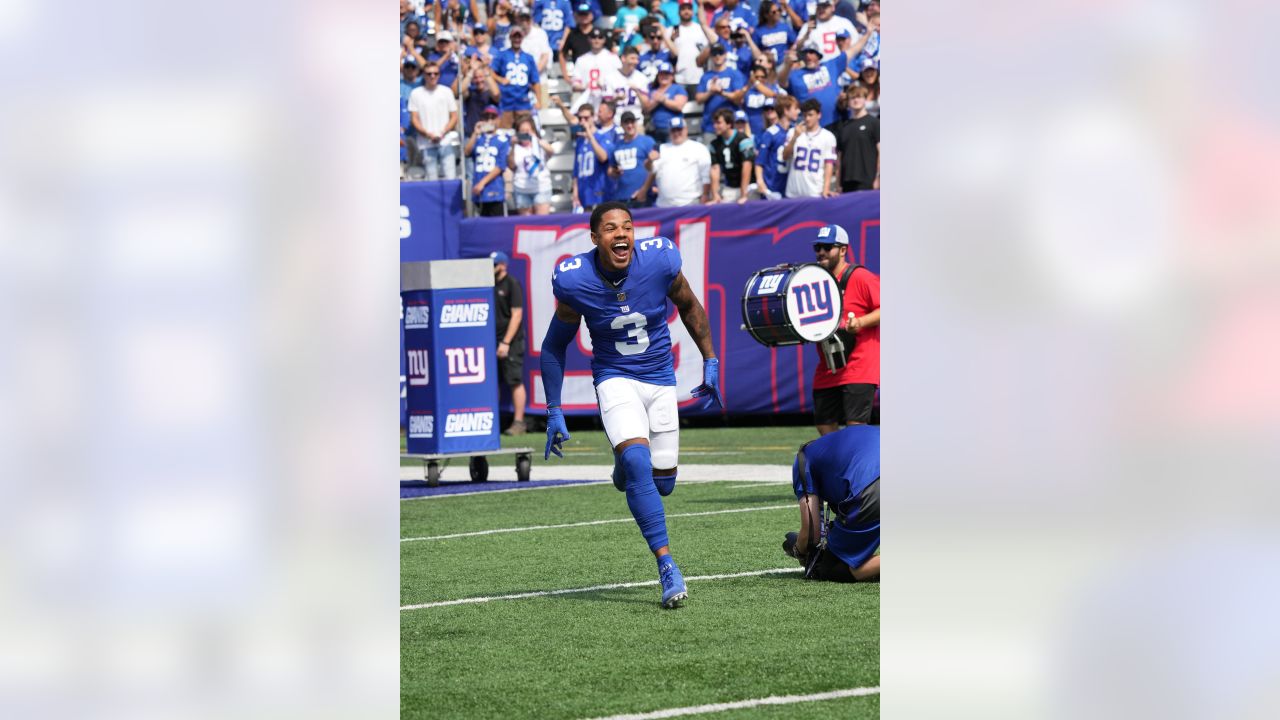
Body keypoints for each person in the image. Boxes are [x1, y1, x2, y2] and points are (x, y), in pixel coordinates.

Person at [540, 201, 723, 608]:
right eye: (609, 228)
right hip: (615, 378)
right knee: (641, 465)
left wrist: (710, 359)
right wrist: (554, 409)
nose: (620, 234)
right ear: (595, 238)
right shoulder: (576, 280)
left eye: (626, 226)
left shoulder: (659, 259)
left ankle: (623, 467)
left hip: (659, 379)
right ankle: (667, 566)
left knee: (663, 483)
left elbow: (690, 305)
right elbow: (554, 344)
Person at [781, 425, 880, 583]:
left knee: (829, 568)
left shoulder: (803, 458)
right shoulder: (847, 442)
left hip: (872, 490)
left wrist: (798, 550)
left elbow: (811, 531)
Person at [808, 223, 879, 432]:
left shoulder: (861, 276)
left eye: (827, 247)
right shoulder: (816, 280)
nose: (821, 252)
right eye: (818, 247)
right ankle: (839, 464)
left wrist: (861, 322)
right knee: (823, 423)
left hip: (860, 364)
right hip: (828, 365)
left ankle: (859, 465)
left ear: (843, 250)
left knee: (855, 428)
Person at [552, 95, 613, 212]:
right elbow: (576, 168)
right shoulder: (580, 140)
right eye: (580, 118)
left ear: (593, 118)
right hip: (583, 191)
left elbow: (603, 158)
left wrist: (590, 137)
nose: (582, 121)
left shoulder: (602, 136)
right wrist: (575, 191)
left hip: (598, 191)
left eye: (586, 118)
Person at [491, 251, 529, 435]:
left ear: (503, 265)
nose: (491, 268)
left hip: (510, 342)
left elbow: (517, 315)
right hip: (492, 339)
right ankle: (492, 420)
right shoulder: (489, 285)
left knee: (514, 380)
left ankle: (519, 422)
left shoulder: (512, 284)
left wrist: (505, 342)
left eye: (494, 264)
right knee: (492, 382)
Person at [407, 60, 461, 180]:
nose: (432, 76)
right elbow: (414, 118)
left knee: (450, 176)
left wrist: (442, 133)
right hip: (426, 142)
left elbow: (454, 116)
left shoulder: (446, 92)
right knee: (431, 178)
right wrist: (427, 134)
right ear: (424, 75)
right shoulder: (416, 93)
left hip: (446, 140)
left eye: (435, 73)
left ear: (439, 75)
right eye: (429, 74)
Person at [643, 116, 710, 207]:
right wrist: (649, 160)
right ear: (669, 132)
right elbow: (651, 169)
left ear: (686, 130)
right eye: (673, 130)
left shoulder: (698, 148)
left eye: (679, 129)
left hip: (690, 203)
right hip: (664, 205)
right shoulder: (661, 148)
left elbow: (706, 175)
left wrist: (705, 194)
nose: (676, 133)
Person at [488, 25, 542, 128]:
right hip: (506, 100)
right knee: (505, 131)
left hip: (523, 101)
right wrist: (500, 79)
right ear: (510, 38)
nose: (517, 40)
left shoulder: (528, 58)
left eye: (519, 37)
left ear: (522, 38)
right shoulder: (502, 55)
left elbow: (535, 81)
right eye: (514, 37)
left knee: (524, 131)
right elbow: (490, 72)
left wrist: (539, 101)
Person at [829, 84, 879, 192]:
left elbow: (881, 152)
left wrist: (878, 178)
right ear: (848, 102)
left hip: (867, 181)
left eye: (859, 97)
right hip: (846, 182)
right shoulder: (844, 127)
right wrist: (838, 183)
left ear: (865, 99)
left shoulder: (874, 123)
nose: (856, 100)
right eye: (852, 98)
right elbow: (840, 158)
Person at [782, 98, 836, 198]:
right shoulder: (793, 132)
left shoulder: (828, 137)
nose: (807, 119)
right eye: (805, 115)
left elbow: (829, 164)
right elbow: (785, 156)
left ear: (819, 115)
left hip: (814, 192)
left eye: (810, 115)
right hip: (794, 192)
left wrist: (826, 189)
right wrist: (795, 137)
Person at [465, 106, 510, 216]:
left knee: (496, 225)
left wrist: (482, 183)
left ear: (498, 119)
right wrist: (475, 133)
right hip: (478, 191)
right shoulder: (478, 139)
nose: (489, 120)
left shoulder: (503, 140)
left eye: (493, 117)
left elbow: (500, 166)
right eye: (486, 117)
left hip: (494, 188)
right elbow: (466, 152)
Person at [694, 45, 747, 140]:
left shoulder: (734, 74)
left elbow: (738, 98)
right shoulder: (705, 76)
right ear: (711, 56)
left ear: (725, 55)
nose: (718, 56)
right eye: (714, 54)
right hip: (710, 126)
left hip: (730, 125)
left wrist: (722, 93)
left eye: (720, 53)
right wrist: (711, 91)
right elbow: (698, 99)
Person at [508, 114, 555, 214]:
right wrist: (512, 146)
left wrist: (535, 138)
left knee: (542, 224)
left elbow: (551, 151)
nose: (526, 133)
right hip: (521, 190)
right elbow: (511, 166)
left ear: (533, 130)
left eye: (528, 130)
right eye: (522, 131)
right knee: (526, 226)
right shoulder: (515, 147)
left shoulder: (540, 144)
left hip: (541, 188)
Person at [607, 111, 657, 206]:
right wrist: (615, 172)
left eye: (632, 122)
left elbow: (656, 167)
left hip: (644, 195)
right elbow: (610, 170)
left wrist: (649, 188)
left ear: (636, 123)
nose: (630, 126)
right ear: (621, 125)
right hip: (622, 196)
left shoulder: (647, 141)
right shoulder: (616, 146)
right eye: (626, 123)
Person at [753, 94, 796, 199]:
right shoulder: (771, 133)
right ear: (786, 111)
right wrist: (760, 181)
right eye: (795, 108)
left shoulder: (795, 131)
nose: (798, 111)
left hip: (789, 186)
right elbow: (760, 162)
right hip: (772, 185)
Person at [708, 108, 755, 204]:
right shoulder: (714, 144)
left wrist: (743, 193)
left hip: (748, 186)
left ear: (729, 124)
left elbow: (747, 166)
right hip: (730, 187)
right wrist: (715, 194)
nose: (715, 126)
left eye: (718, 123)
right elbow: (715, 169)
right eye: (714, 123)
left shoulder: (743, 140)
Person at [642, 61, 687, 144]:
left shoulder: (677, 88)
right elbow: (646, 109)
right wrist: (656, 101)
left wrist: (663, 100)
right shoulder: (653, 90)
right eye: (662, 74)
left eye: (667, 74)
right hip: (655, 129)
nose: (664, 76)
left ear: (672, 76)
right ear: (658, 76)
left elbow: (679, 106)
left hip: (673, 129)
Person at [669, 0, 710, 85]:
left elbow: (707, 50)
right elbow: (668, 54)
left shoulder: (701, 29)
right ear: (679, 12)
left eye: (689, 9)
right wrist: (671, 40)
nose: (686, 11)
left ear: (693, 11)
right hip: (679, 77)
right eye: (683, 9)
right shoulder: (673, 30)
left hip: (699, 76)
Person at [752, 1, 796, 65]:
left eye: (779, 10)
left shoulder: (784, 27)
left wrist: (790, 52)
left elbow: (794, 43)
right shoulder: (758, 31)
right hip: (768, 66)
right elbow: (756, 50)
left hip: (784, 64)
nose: (777, 13)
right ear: (766, 15)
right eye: (774, 12)